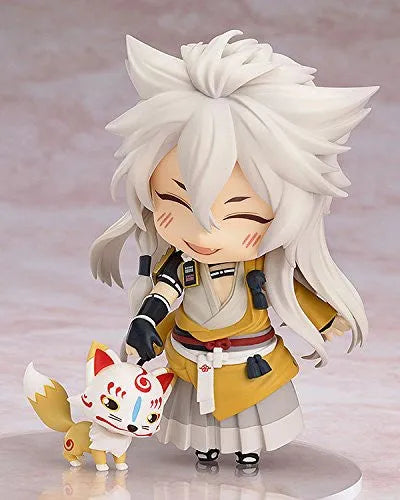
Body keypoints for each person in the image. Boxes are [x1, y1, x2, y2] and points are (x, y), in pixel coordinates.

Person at [90, 30, 377, 465]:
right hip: (192, 358)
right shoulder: (178, 264)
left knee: (248, 415)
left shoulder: (258, 266)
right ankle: (207, 449)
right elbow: (163, 296)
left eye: (239, 213)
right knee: (200, 419)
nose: (204, 235)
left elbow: (288, 289)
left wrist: (323, 316)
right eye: (174, 202)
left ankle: (246, 452)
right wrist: (145, 324)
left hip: (249, 361)